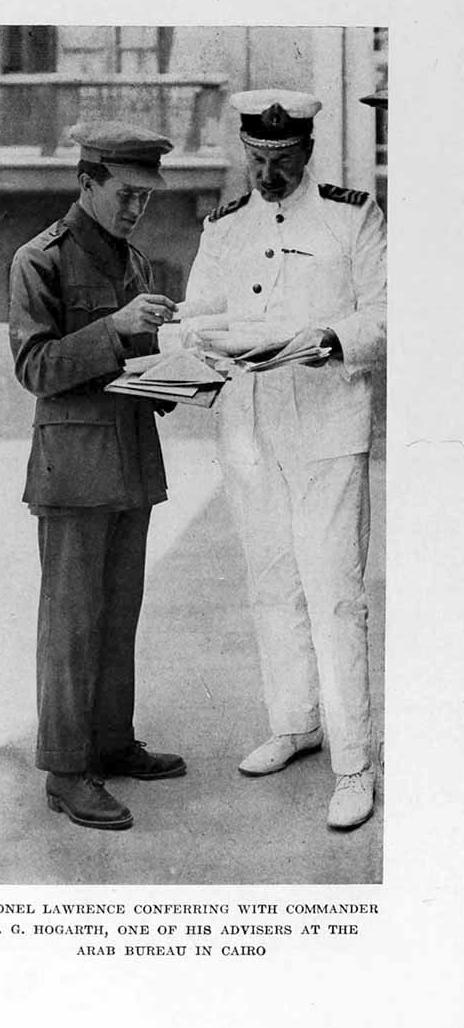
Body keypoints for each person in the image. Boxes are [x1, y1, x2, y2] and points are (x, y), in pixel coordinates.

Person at [181, 89, 386, 830]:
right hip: (250, 429)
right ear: (245, 149)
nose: (267, 173)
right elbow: (199, 311)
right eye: (257, 159)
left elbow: (383, 316)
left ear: (306, 151)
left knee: (335, 593)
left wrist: (329, 340)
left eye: (282, 159)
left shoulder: (350, 214)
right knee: (272, 584)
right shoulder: (225, 227)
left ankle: (355, 761)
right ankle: (295, 721)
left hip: (329, 425)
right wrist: (200, 336)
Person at [9, 121, 186, 832]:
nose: (136, 208)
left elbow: (135, 366)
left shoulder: (132, 261)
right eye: (125, 193)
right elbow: (36, 368)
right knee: (72, 624)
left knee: (118, 615)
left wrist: (182, 365)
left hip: (129, 467)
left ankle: (110, 743)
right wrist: (116, 327)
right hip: (74, 472)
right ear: (86, 182)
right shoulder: (37, 259)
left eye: (145, 197)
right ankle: (64, 768)